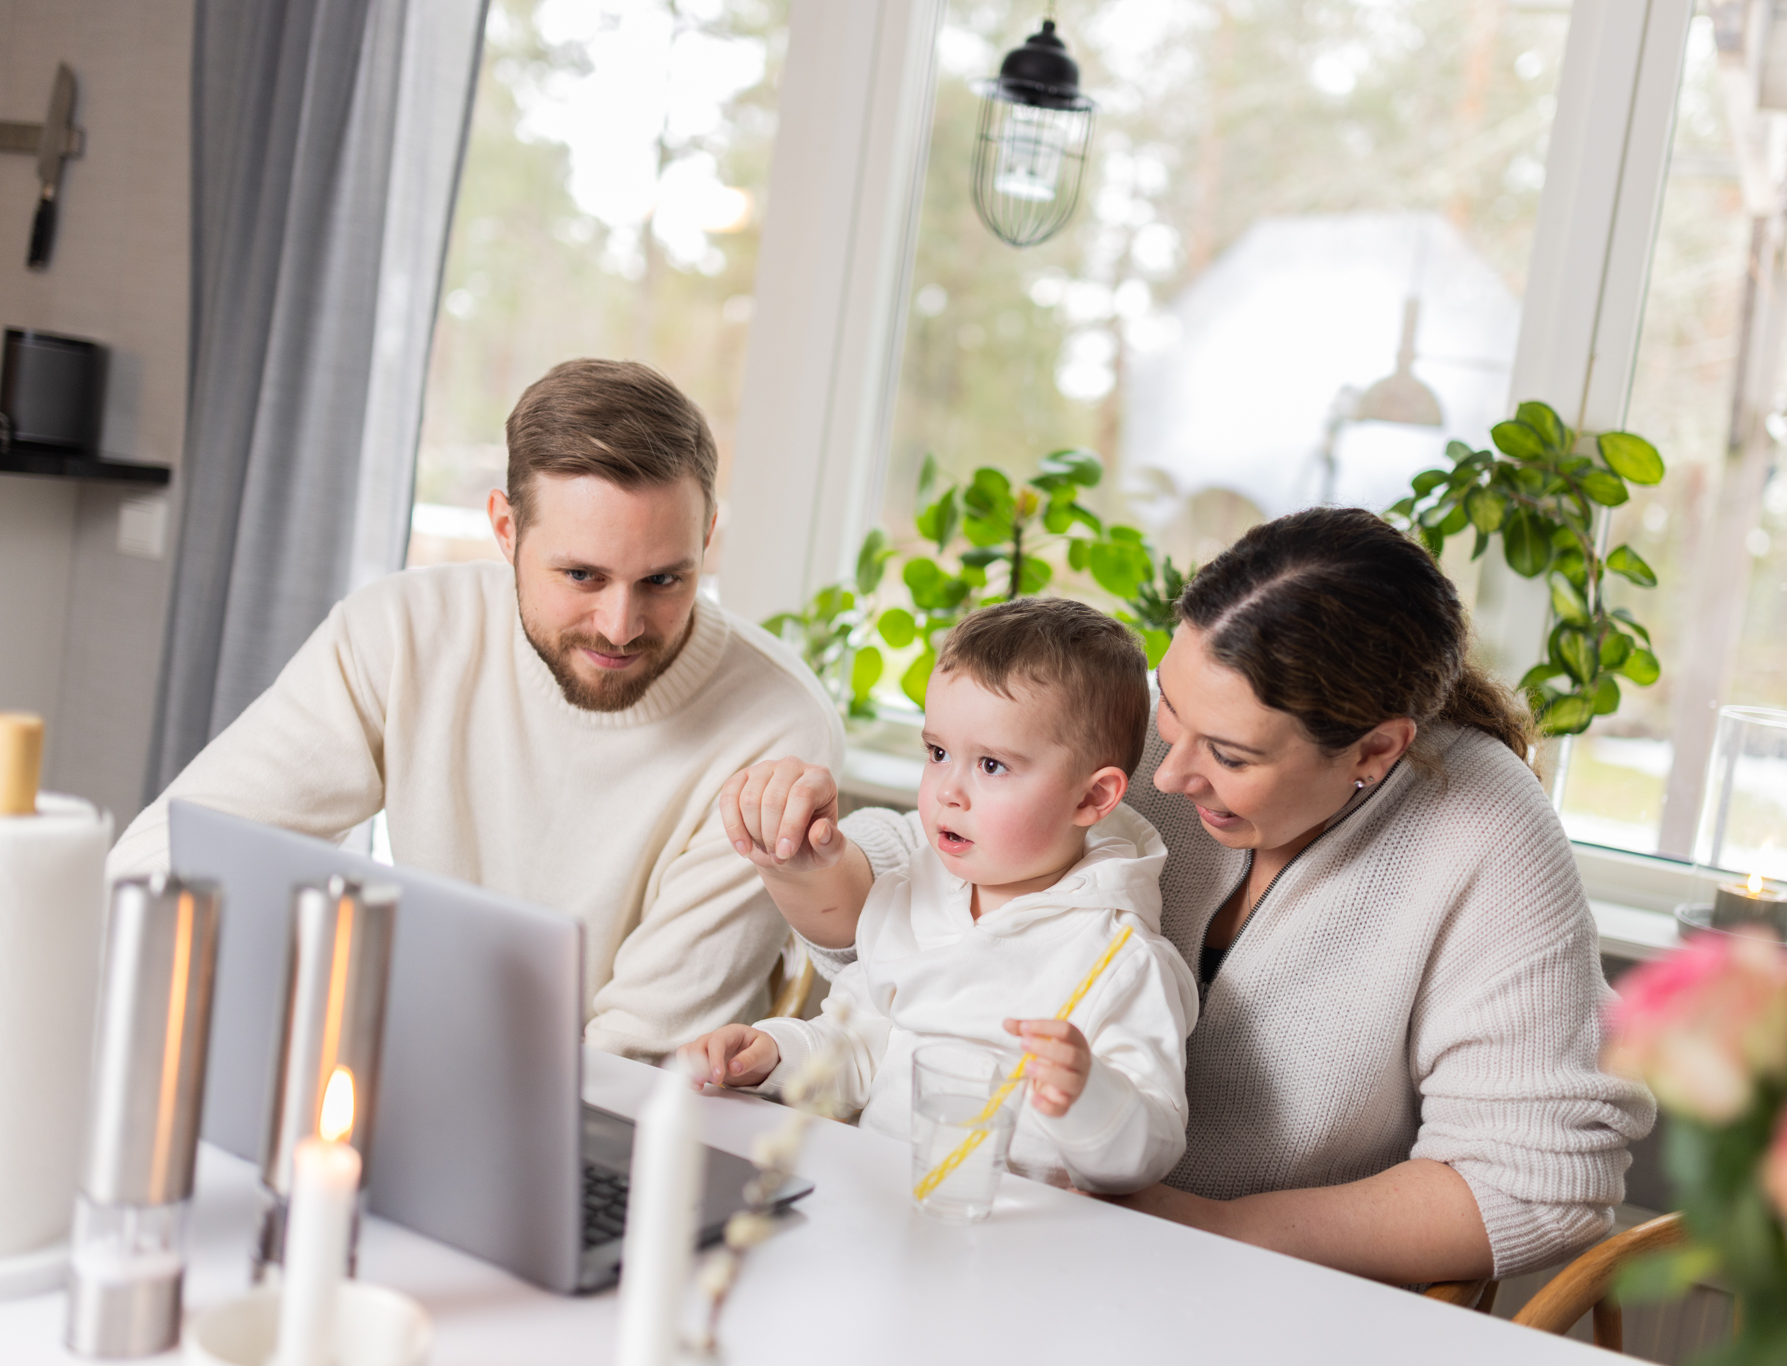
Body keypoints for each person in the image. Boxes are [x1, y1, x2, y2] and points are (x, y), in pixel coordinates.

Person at [725, 507, 1656, 1285]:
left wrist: (1209, 1229)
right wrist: (809, 851)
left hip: (1250, 1299)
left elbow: (1537, 1184)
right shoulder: (1147, 728)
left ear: (1374, 751)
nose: (1164, 776)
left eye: (1233, 756)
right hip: (997, 1246)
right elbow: (906, 902)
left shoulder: (1484, 833)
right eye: (1171, 705)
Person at [110, 359, 842, 1059]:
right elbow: (156, 864)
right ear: (506, 530)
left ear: (706, 537)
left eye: (663, 580)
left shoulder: (776, 728)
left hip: (597, 1113)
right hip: (398, 1062)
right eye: (581, 575)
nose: (620, 626)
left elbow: (638, 1060)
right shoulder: (404, 632)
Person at [694, 598, 1199, 1191]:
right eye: (937, 753)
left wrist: (1092, 1098)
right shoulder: (911, 897)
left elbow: (1153, 1149)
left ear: (1091, 798)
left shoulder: (1120, 960)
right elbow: (857, 1048)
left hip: (1023, 1230)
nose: (947, 792)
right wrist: (774, 1054)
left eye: (992, 765)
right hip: (878, 1201)